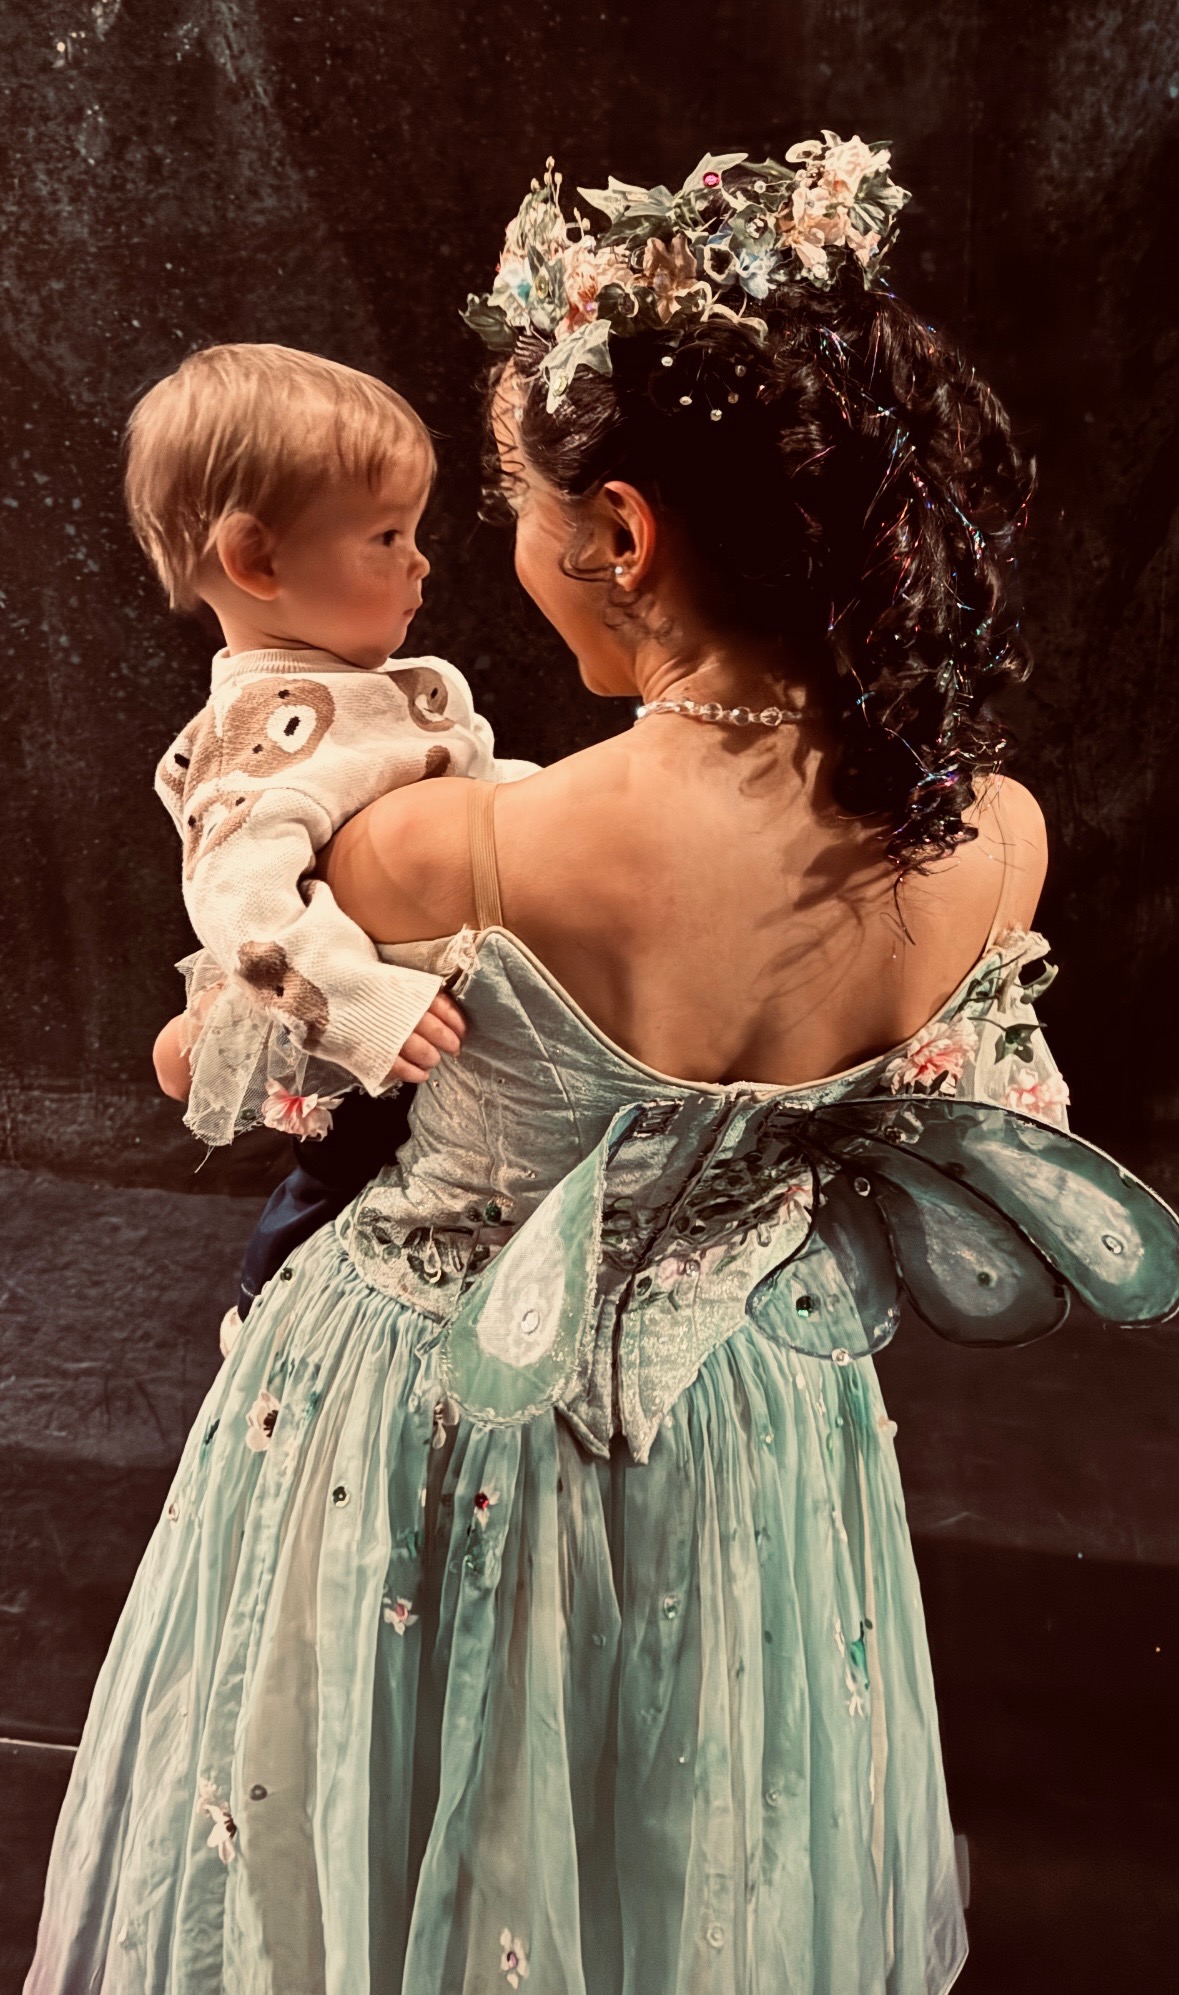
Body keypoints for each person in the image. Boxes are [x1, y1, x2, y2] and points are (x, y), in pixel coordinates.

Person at [27, 138, 1179, 1995]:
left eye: (496, 501)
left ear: (621, 535)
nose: (480, 547)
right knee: (701, 1817)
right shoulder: (999, 838)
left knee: (409, 1831)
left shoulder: (455, 848)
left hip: (440, 1427)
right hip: (760, 1411)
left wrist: (198, 1033)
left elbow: (238, 1073)